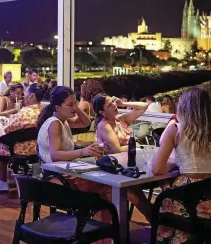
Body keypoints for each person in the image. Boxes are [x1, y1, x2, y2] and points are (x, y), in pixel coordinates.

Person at [37, 86, 153, 223]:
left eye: (75, 102)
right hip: (58, 179)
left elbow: (86, 122)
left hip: (64, 171)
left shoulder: (63, 121)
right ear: (57, 108)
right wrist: (83, 151)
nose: (74, 107)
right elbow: (55, 155)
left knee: (128, 187)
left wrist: (74, 106)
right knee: (117, 188)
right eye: (69, 104)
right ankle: (114, 231)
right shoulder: (55, 124)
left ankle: (115, 231)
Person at [152, 87, 211, 243]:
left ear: (184, 106)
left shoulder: (176, 129)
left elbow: (157, 169)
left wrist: (173, 166)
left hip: (190, 201)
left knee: (163, 185)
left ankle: (172, 236)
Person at [0, 84, 44, 191]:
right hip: (39, 149)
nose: (24, 96)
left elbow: (8, 129)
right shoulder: (43, 110)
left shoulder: (25, 112)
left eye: (26, 93)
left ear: (31, 96)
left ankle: (2, 181)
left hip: (20, 150)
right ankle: (36, 177)